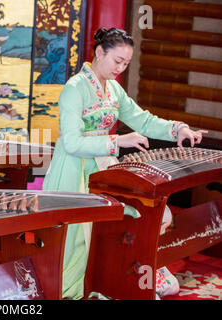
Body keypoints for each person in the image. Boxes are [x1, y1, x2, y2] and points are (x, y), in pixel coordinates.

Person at [42, 27, 207, 300]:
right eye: (117, 61)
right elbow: (70, 142)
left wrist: (178, 129)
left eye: (126, 63)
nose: (121, 68)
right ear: (99, 53)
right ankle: (76, 287)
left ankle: (110, 279)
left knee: (121, 222)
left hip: (103, 164)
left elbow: (143, 120)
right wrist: (116, 142)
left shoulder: (114, 89)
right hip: (73, 168)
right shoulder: (75, 88)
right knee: (78, 238)